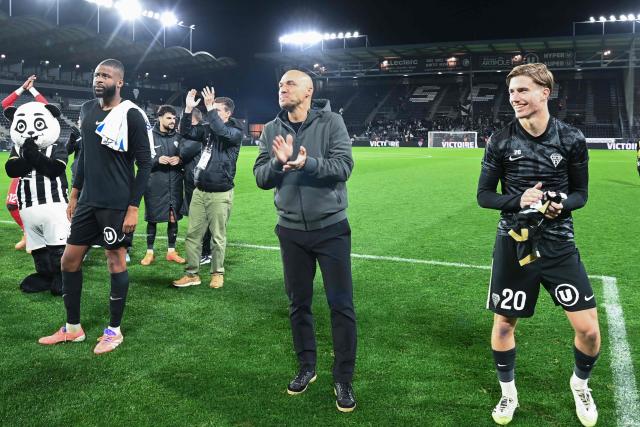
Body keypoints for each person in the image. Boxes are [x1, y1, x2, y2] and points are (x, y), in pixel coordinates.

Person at [477, 63, 599, 426]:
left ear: (545, 92)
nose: (514, 98)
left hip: (559, 244)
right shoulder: (499, 140)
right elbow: (484, 196)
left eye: (522, 90)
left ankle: (580, 384)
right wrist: (519, 199)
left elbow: (582, 194)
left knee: (589, 329)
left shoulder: (572, 138)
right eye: (512, 91)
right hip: (515, 245)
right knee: (503, 324)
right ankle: (508, 393)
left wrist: (562, 200)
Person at [253, 70, 357, 413]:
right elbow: (260, 177)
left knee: (340, 305)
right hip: (291, 231)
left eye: (290, 83)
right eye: (279, 84)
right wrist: (278, 165)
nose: (282, 88)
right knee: (298, 303)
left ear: (309, 91)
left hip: (331, 228)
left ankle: (343, 377)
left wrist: (306, 162)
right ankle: (307, 366)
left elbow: (343, 166)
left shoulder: (332, 123)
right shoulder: (271, 129)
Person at [38, 59, 152, 355]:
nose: (99, 79)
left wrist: (133, 207)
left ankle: (114, 330)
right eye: (96, 74)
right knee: (69, 260)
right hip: (88, 201)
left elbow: (146, 163)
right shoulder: (87, 110)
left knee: (115, 261)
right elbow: (85, 156)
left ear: (120, 82)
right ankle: (73, 328)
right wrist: (75, 192)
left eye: (106, 75)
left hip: (116, 204)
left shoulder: (132, 115)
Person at [172, 88, 242, 289]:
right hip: (199, 191)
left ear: (228, 113)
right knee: (193, 235)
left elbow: (222, 131)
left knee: (217, 237)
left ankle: (217, 272)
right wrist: (187, 109)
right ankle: (192, 273)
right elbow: (185, 131)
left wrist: (209, 110)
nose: (213, 113)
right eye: (212, 109)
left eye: (218, 110)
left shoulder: (235, 132)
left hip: (220, 192)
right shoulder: (207, 129)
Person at [140, 105, 186, 265]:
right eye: (169, 118)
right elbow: (140, 161)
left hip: (175, 183)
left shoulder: (179, 137)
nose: (172, 121)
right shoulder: (149, 137)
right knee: (152, 219)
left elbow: (186, 158)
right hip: (155, 184)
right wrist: (156, 160)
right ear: (159, 118)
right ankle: (149, 252)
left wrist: (179, 160)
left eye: (174, 118)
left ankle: (171, 251)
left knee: (173, 218)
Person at [178, 107, 213, 265]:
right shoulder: (201, 133)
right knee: (199, 218)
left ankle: (206, 252)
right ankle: (205, 251)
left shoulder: (197, 135)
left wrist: (177, 144)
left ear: (194, 120)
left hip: (196, 181)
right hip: (193, 179)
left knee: (200, 218)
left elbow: (183, 152)